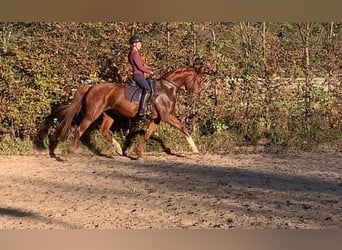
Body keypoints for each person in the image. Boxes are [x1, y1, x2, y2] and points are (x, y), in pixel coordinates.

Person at [128, 35, 154, 117]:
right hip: (138, 75)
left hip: (138, 74)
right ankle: (142, 109)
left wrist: (150, 68)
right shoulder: (135, 54)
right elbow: (140, 67)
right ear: (134, 44)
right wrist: (150, 72)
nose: (140, 45)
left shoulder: (131, 53)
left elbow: (141, 65)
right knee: (148, 89)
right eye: (139, 43)